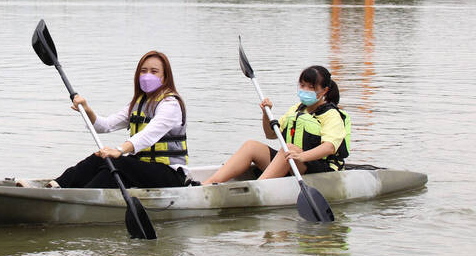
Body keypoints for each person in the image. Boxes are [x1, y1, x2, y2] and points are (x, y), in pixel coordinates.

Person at [20, 50, 189, 189]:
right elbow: (105, 126)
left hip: (169, 175)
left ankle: (76, 198)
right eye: (143, 71)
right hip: (142, 169)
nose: (147, 75)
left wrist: (120, 150)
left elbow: (149, 134)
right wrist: (87, 110)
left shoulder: (170, 104)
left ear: (165, 77)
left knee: (118, 162)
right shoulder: (138, 103)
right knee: (100, 158)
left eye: (154, 71)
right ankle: (56, 186)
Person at [202, 65, 350, 185]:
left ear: (324, 90)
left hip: (322, 170)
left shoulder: (331, 114)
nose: (304, 90)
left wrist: (301, 156)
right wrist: (266, 114)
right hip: (293, 162)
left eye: (310, 87)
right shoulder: (297, 109)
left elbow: (329, 147)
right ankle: (208, 184)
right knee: (251, 145)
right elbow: (271, 134)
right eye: (302, 85)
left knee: (289, 149)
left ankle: (257, 188)